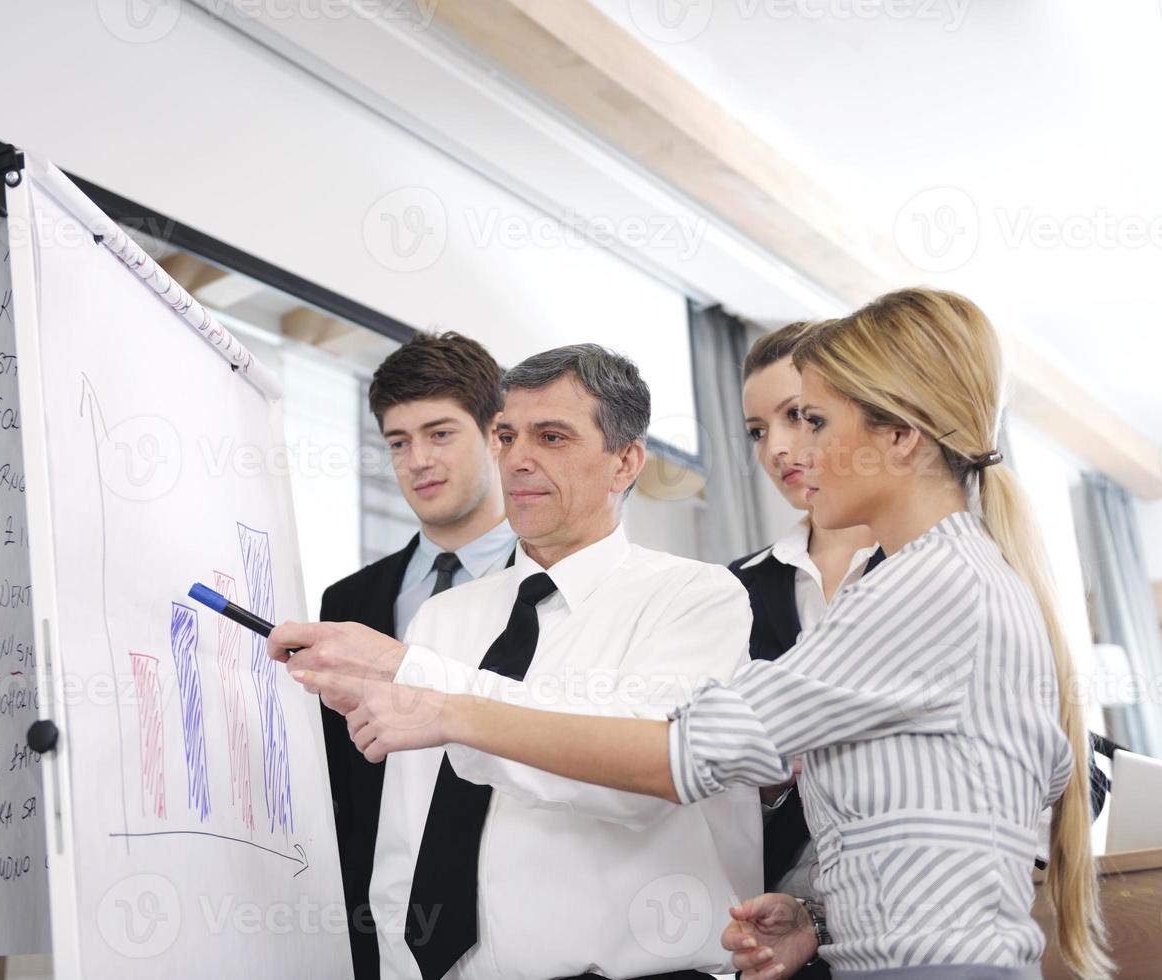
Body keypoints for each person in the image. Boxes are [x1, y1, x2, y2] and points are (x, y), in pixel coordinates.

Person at [292, 290, 1113, 980]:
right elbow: (989, 788)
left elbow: (680, 756)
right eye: (505, 435)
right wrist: (817, 913)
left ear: (900, 436)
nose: (792, 454)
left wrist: (444, 700)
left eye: (815, 421)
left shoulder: (915, 591)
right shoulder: (917, 584)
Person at [284, 344, 760, 979]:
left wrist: (433, 693)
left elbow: (637, 777)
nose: (518, 459)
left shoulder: (695, 597)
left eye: (552, 436)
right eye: (507, 436)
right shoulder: (444, 620)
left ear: (624, 463)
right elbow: (408, 840)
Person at [318, 331, 516, 979]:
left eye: (440, 433)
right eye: (398, 442)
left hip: (521, 917)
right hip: (383, 929)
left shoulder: (552, 583)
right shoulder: (349, 600)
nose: (418, 460)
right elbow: (343, 789)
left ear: (496, 433)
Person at [733, 321, 884, 979]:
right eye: (759, 431)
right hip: (781, 938)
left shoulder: (935, 571)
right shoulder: (729, 591)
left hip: (918, 932)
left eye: (799, 416)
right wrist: (760, 783)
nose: (779, 448)